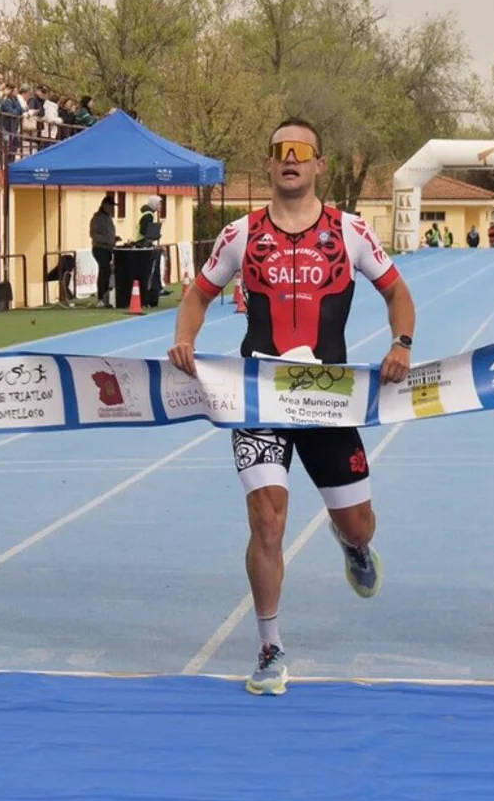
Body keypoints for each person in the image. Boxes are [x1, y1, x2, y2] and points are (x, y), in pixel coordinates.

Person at [168, 117, 415, 695]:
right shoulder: (240, 235)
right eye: (279, 150)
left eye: (301, 150)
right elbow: (197, 295)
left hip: (329, 400)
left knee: (358, 522)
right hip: (257, 397)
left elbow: (398, 293)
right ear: (270, 162)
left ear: (319, 164)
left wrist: (401, 343)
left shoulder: (351, 232)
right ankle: (270, 646)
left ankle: (353, 544)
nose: (290, 158)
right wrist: (186, 338)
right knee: (268, 520)